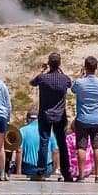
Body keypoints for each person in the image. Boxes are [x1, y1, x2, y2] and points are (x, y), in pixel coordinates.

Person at [29, 52, 73, 183]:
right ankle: (66, 173)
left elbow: (32, 82)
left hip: (45, 114)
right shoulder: (64, 79)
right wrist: (60, 70)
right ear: (59, 64)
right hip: (60, 115)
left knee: (44, 142)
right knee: (62, 143)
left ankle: (41, 171)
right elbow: (70, 84)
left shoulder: (42, 78)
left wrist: (42, 70)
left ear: (49, 63)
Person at [70, 56, 98, 183]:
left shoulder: (80, 83)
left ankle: (81, 175)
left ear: (85, 68)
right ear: (96, 68)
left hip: (83, 118)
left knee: (81, 146)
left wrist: (80, 75)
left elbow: (73, 89)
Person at [18, 112, 46, 178]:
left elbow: (19, 151)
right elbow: (55, 151)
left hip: (29, 169)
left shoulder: (22, 130)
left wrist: (18, 170)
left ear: (27, 119)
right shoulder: (47, 130)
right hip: (47, 169)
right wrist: (54, 170)